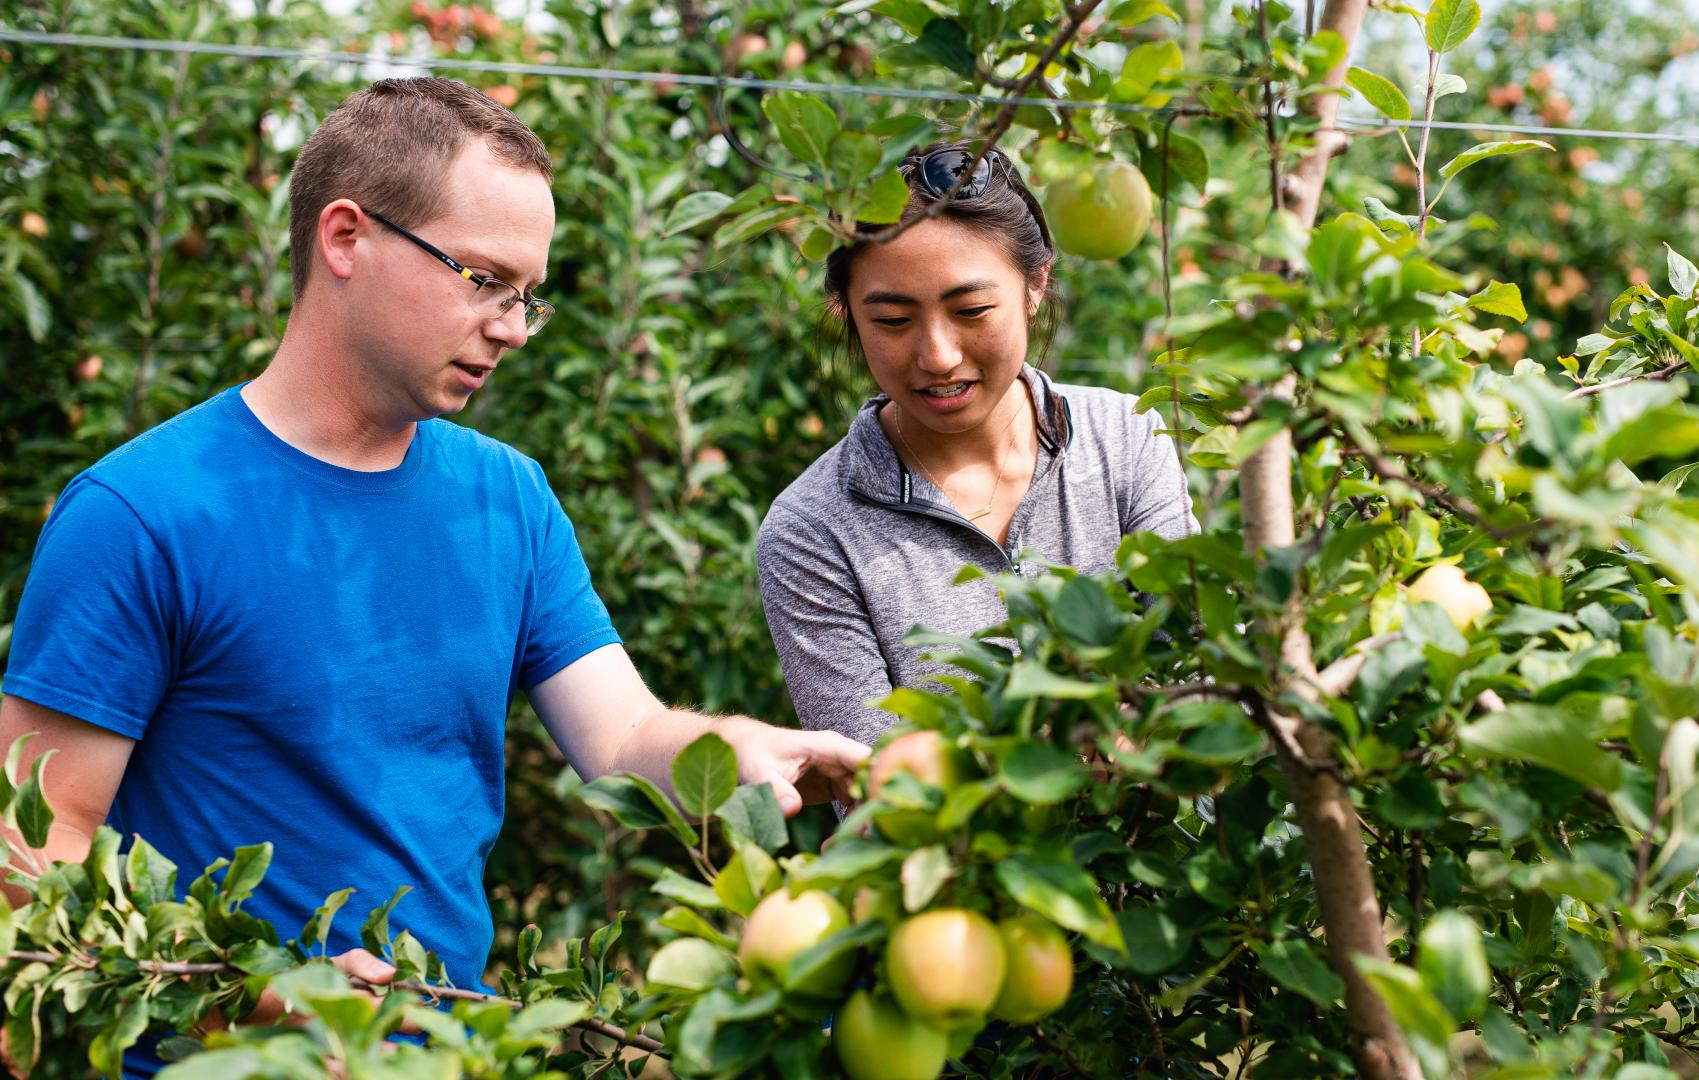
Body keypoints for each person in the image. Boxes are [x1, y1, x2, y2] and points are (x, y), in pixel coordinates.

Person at [0, 77, 867, 1073]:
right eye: (483, 279)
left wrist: (736, 749)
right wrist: (241, 997)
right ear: (344, 238)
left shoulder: (506, 497)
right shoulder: (145, 514)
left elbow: (623, 736)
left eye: (529, 295)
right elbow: (36, 839)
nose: (513, 326)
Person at [757, 143, 1196, 749]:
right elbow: (880, 789)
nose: (937, 355)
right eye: (892, 321)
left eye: (971, 309)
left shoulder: (1126, 438)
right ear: (848, 314)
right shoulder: (813, 530)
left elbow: (1201, 682)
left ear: (1035, 284)